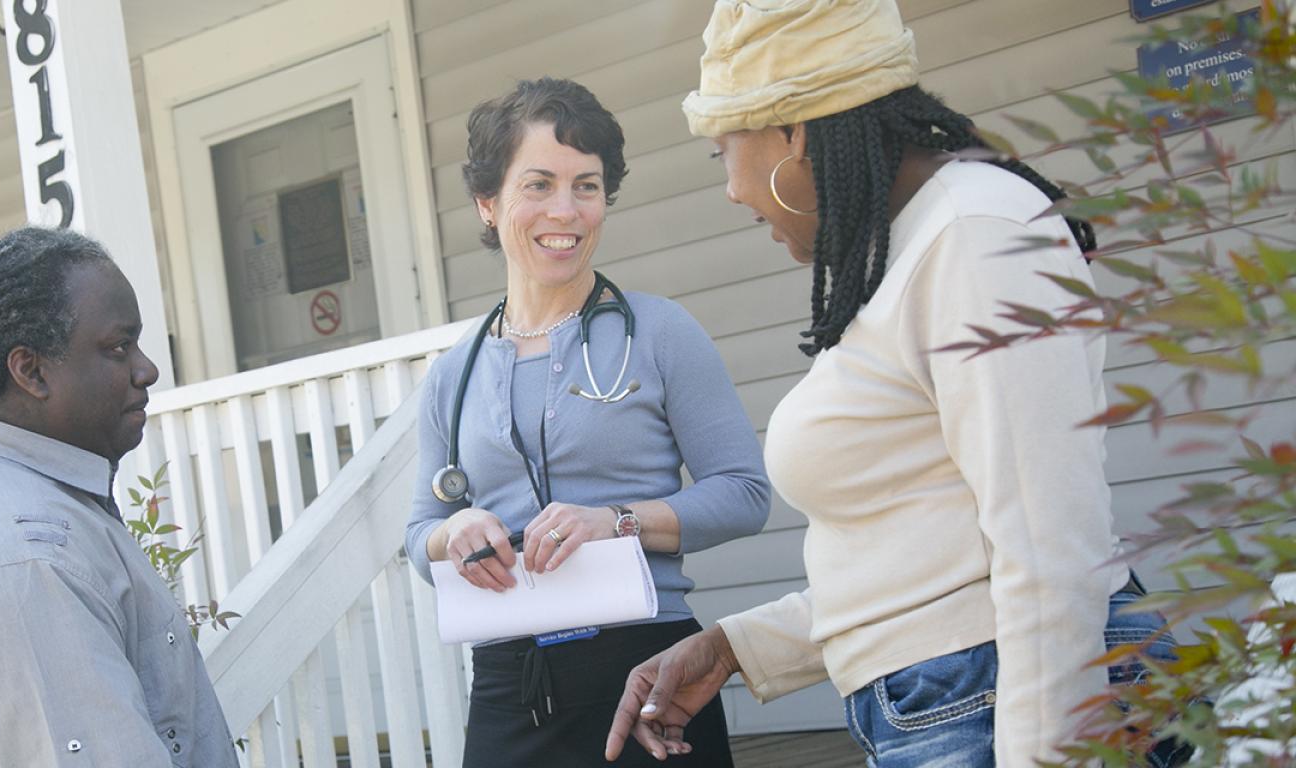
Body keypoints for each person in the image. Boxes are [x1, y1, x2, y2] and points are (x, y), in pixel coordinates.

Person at [606, 2, 1185, 766]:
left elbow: (1050, 551)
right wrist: (737, 646)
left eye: (722, 150)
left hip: (1009, 702)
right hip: (954, 698)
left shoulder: (979, 236)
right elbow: (926, 557)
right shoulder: (913, 250)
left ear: (793, 130)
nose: (731, 191)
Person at [406, 77, 772, 768]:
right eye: (538, 185)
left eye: (588, 185)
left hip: (653, 672)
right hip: (511, 690)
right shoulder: (453, 375)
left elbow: (746, 494)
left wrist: (616, 520)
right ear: (488, 204)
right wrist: (453, 531)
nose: (566, 210)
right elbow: (418, 538)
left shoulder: (661, 334)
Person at [0, 227, 235, 767]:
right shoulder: (21, 558)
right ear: (30, 370)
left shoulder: (24, 512)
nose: (147, 369)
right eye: (119, 347)